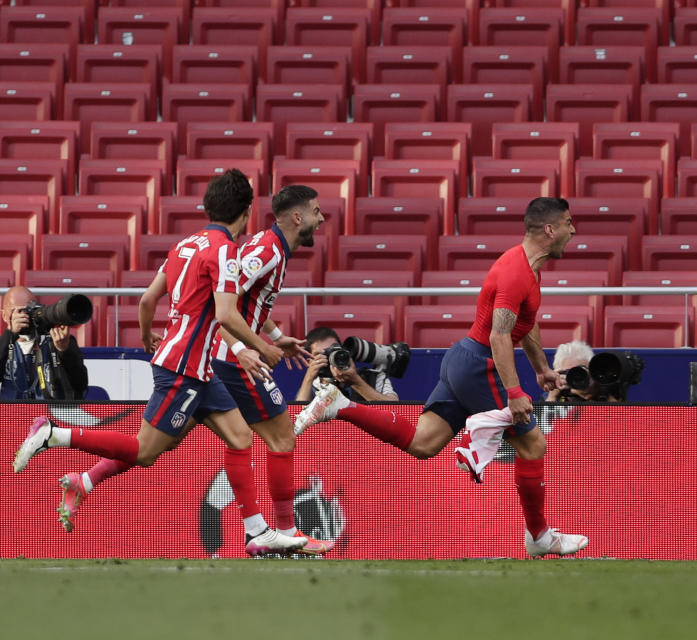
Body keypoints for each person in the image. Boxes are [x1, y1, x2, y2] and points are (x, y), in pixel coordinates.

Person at [12, 168, 308, 556]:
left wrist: (148, 334)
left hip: (193, 365)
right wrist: (260, 346)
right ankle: (55, 433)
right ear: (247, 210)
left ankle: (257, 533)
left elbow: (147, 300)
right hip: (184, 367)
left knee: (240, 437)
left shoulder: (184, 245)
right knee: (145, 451)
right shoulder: (225, 250)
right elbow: (226, 315)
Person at [295, 197, 589, 557]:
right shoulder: (516, 273)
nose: (573, 230)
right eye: (568, 223)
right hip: (479, 363)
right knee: (534, 445)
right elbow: (499, 335)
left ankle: (340, 405)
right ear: (550, 229)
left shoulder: (527, 268)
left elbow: (523, 324)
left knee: (423, 444)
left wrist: (541, 368)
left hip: (462, 359)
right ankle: (540, 536)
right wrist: (514, 391)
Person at [1, 286, 88, 400]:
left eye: (29, 310)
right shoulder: (4, 345)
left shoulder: (58, 341)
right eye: (18, 311)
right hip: (10, 415)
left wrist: (64, 351)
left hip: (50, 415)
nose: (25, 315)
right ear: (4, 315)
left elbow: (80, 385)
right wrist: (10, 334)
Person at [295, 327, 399, 403]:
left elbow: (395, 409)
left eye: (331, 352)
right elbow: (298, 422)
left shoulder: (374, 377)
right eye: (320, 355)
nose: (327, 358)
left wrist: (356, 382)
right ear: (310, 362)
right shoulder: (311, 386)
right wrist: (308, 378)